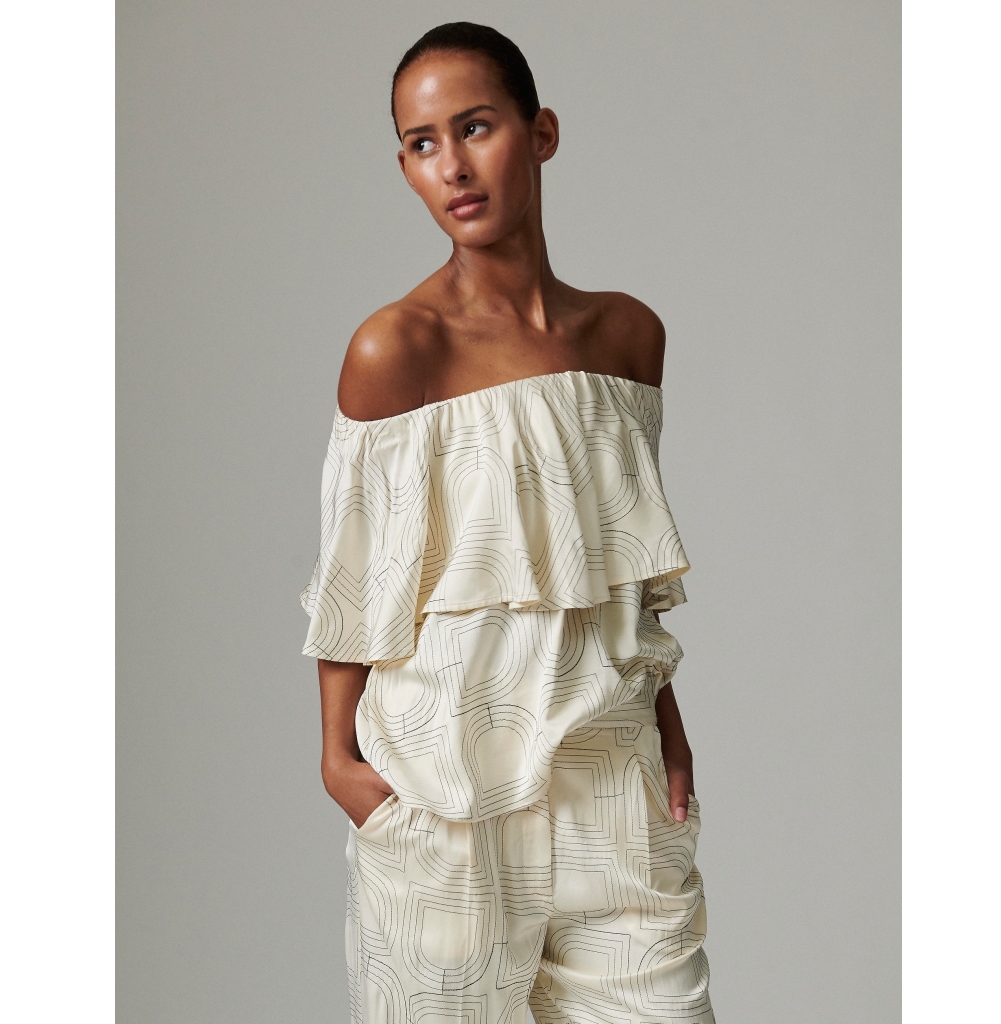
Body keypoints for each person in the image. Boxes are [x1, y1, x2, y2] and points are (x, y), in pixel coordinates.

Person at [301, 22, 714, 1024]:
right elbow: (355, 578)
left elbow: (620, 565)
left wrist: (663, 721)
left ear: (542, 133)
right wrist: (341, 765)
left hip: (612, 787)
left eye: (475, 127)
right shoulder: (394, 349)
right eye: (421, 143)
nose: (451, 165)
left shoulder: (627, 337)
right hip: (442, 794)